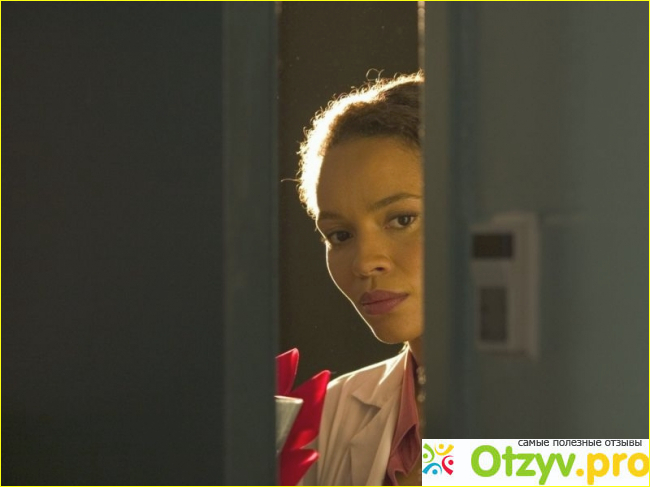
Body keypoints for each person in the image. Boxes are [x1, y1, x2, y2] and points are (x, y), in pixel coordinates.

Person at [297, 72, 425, 486]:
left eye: (402, 219)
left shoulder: (585, 407)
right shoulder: (330, 416)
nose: (365, 263)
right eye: (340, 236)